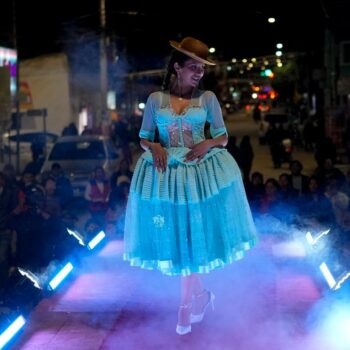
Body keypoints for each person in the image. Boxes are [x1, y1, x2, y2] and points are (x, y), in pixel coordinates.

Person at [123, 37, 257, 335]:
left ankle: (184, 307)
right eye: (194, 67)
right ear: (177, 67)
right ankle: (200, 296)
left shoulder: (207, 98)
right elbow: (143, 137)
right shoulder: (156, 100)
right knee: (181, 238)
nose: (199, 72)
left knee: (192, 238)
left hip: (199, 175)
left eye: (202, 68)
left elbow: (223, 136)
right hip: (168, 177)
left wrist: (208, 143)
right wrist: (154, 146)